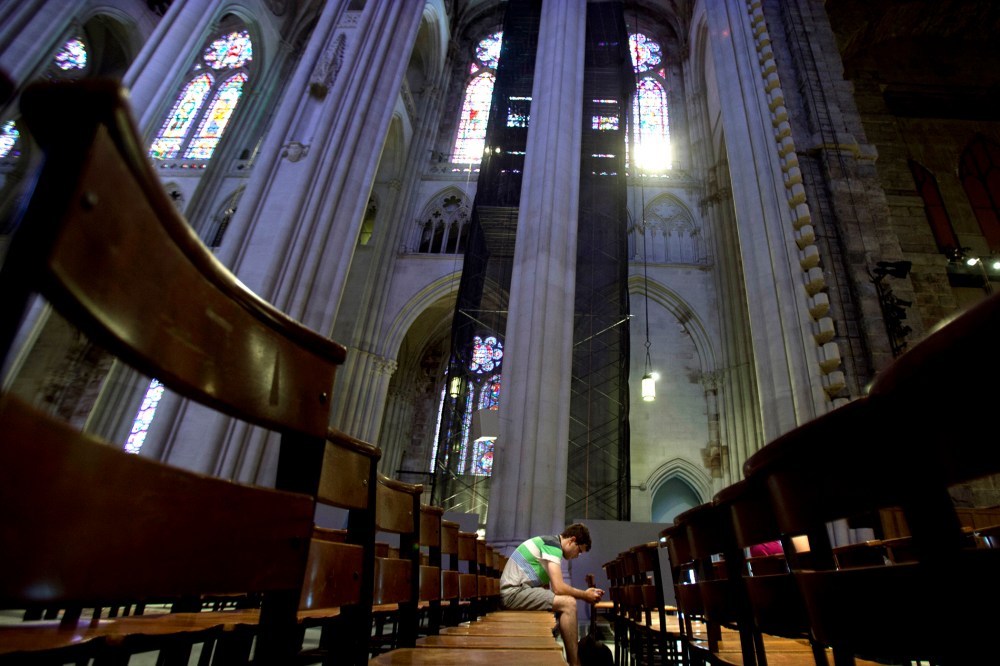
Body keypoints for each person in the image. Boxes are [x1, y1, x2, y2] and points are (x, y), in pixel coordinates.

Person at [500, 523, 605, 666]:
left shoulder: (550, 544)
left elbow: (549, 589)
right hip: (513, 593)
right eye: (579, 550)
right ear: (572, 540)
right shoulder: (553, 546)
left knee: (563, 603)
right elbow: (559, 588)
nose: (577, 556)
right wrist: (584, 595)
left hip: (518, 591)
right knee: (569, 603)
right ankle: (575, 663)